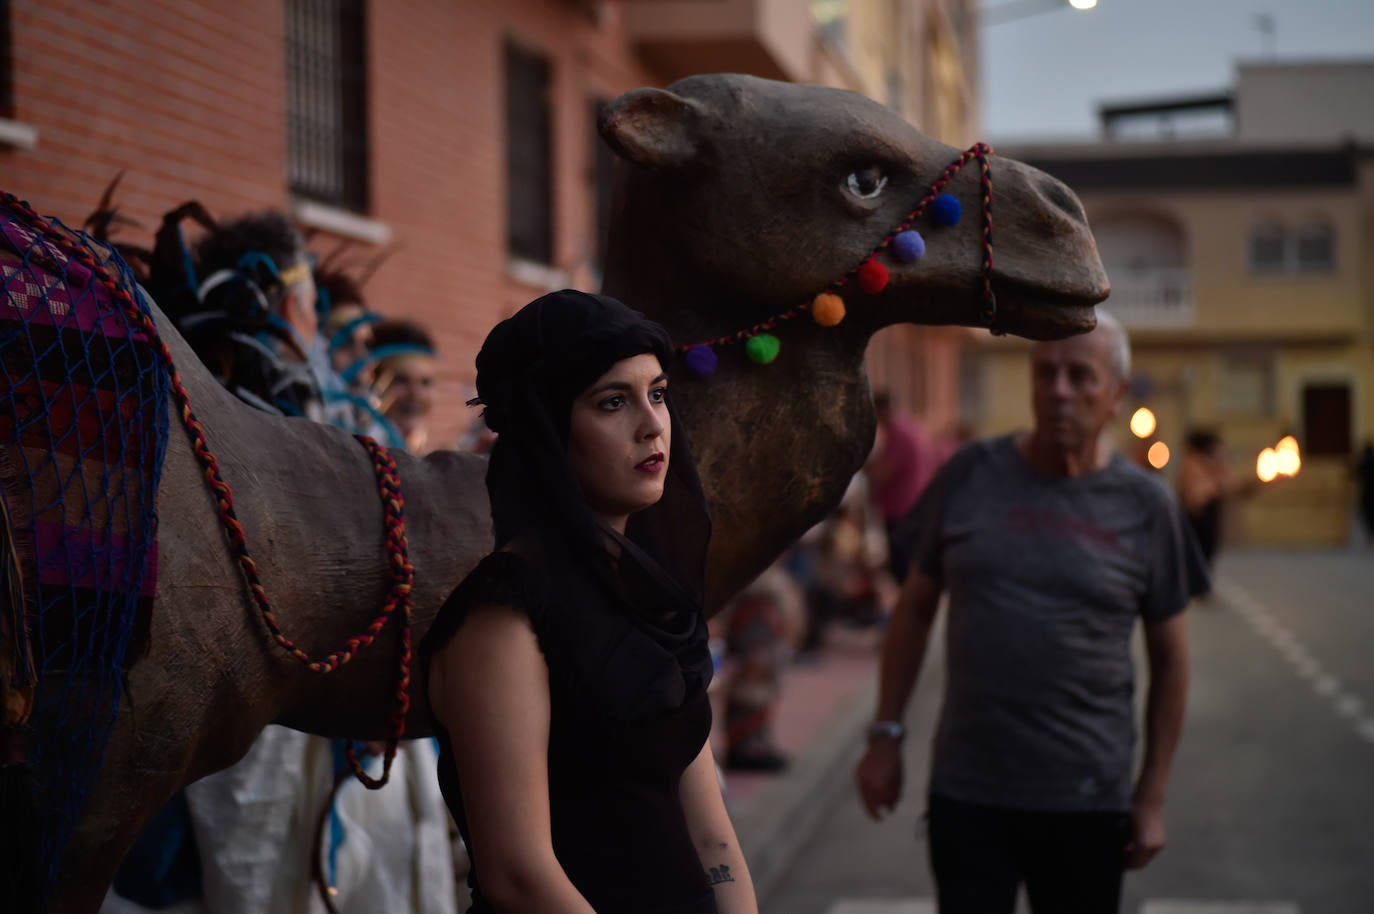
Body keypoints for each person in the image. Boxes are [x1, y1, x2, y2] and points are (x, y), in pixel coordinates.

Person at [855, 313, 1204, 914]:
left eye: (1079, 376)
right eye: (1045, 374)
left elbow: (1171, 661)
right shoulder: (969, 475)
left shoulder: (1148, 507)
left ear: (1117, 393)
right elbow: (913, 611)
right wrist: (886, 734)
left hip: (1089, 798)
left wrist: (1150, 797)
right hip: (970, 792)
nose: (1059, 391)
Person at [421, 290, 757, 914]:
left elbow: (710, 831)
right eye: (612, 401)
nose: (654, 424)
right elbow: (518, 874)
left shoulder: (646, 594)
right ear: (548, 429)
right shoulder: (502, 617)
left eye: (658, 393)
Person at [865, 390, 940, 582]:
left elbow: (883, 473)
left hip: (901, 511)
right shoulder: (913, 427)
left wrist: (860, 466)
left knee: (902, 568)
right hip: (916, 506)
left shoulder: (899, 434)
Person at [1174, 428, 1261, 574]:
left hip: (1205, 527)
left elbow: (1235, 488)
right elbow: (1196, 499)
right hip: (1196, 526)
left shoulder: (1212, 469)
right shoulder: (1193, 466)